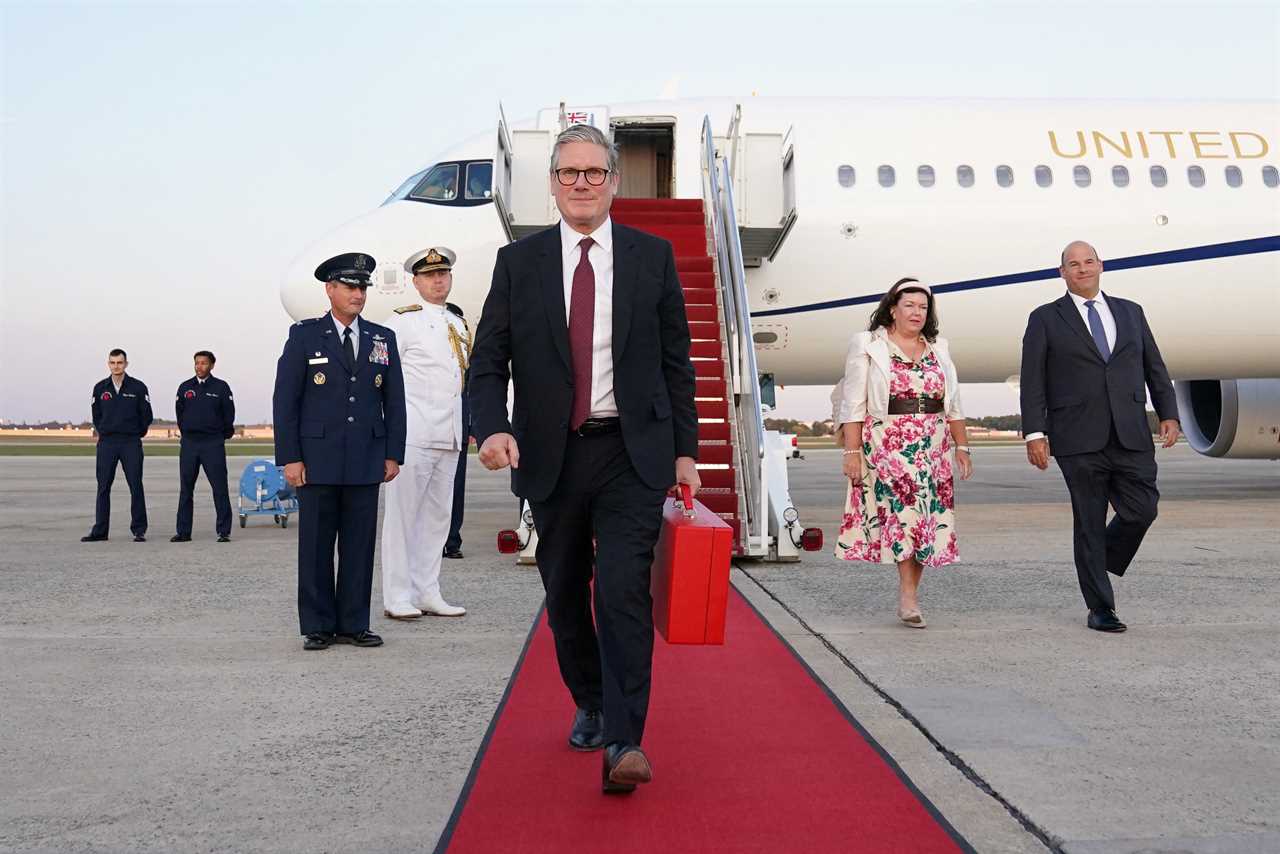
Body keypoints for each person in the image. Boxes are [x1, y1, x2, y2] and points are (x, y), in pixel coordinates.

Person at [469, 124, 699, 794]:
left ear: (613, 181)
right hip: (552, 456)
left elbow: (675, 363)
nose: (581, 184)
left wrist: (685, 450)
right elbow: (488, 362)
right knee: (565, 591)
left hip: (633, 452)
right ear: (551, 182)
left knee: (624, 589)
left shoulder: (651, 258)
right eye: (569, 173)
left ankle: (626, 739)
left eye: (594, 173)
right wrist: (492, 428)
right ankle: (592, 700)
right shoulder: (521, 264)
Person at [1020, 241, 1179, 633]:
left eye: (1088, 262)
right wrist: (1035, 432)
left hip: (1130, 430)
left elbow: (1153, 367)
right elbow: (1033, 379)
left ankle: (1097, 557)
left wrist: (1169, 413)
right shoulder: (1045, 318)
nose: (1082, 269)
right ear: (1062, 273)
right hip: (1076, 436)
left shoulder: (1131, 311)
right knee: (1088, 521)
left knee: (1143, 509)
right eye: (1073, 264)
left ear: (1101, 266)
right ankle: (1101, 608)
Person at [272, 252, 407, 651]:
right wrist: (290, 457)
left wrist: (392, 453)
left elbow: (394, 401)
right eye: (349, 286)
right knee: (315, 545)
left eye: (362, 287)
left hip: (366, 457)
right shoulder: (305, 336)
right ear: (330, 289)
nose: (358, 293)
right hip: (316, 460)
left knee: (359, 545)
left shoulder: (383, 338)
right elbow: (286, 401)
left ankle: (354, 623)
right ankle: (317, 625)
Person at [831, 278, 972, 628]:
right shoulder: (868, 344)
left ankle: (910, 593)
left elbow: (952, 402)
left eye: (923, 307)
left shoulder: (939, 347)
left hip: (932, 444)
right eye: (909, 305)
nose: (917, 312)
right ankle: (908, 597)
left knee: (925, 521)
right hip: (887, 443)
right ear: (892, 308)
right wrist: (851, 451)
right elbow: (853, 402)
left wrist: (962, 446)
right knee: (904, 518)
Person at [379, 247, 468, 620]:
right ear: (415, 282)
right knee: (402, 517)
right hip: (413, 432)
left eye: (443, 274)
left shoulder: (459, 324)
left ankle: (427, 590)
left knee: (437, 518)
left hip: (448, 433)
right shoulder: (401, 322)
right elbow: (381, 379)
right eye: (430, 275)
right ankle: (397, 595)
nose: (438, 281)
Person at [83, 349, 153, 543]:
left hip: (130, 443)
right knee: (103, 487)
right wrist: (104, 431)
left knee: (135, 485)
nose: (116, 366)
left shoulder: (138, 387)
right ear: (108, 364)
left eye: (120, 362)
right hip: (107, 443)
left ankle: (139, 530)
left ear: (126, 364)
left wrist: (136, 432)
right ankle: (100, 531)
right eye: (113, 363)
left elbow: (146, 415)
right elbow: (96, 415)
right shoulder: (100, 388)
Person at [172, 350, 235, 543]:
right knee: (186, 489)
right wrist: (189, 432)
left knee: (220, 488)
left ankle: (223, 531)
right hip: (190, 444)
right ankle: (183, 532)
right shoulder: (185, 388)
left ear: (212, 365)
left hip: (212, 444)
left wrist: (217, 435)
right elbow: (180, 415)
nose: (199, 366)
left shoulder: (221, 387)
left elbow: (229, 416)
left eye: (204, 363)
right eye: (197, 363)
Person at [443, 301, 470, 560]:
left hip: (458, 427)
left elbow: (470, 390)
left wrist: (472, 427)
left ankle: (452, 540)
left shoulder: (465, 350)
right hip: (429, 428)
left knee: (455, 486)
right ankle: (432, 541)